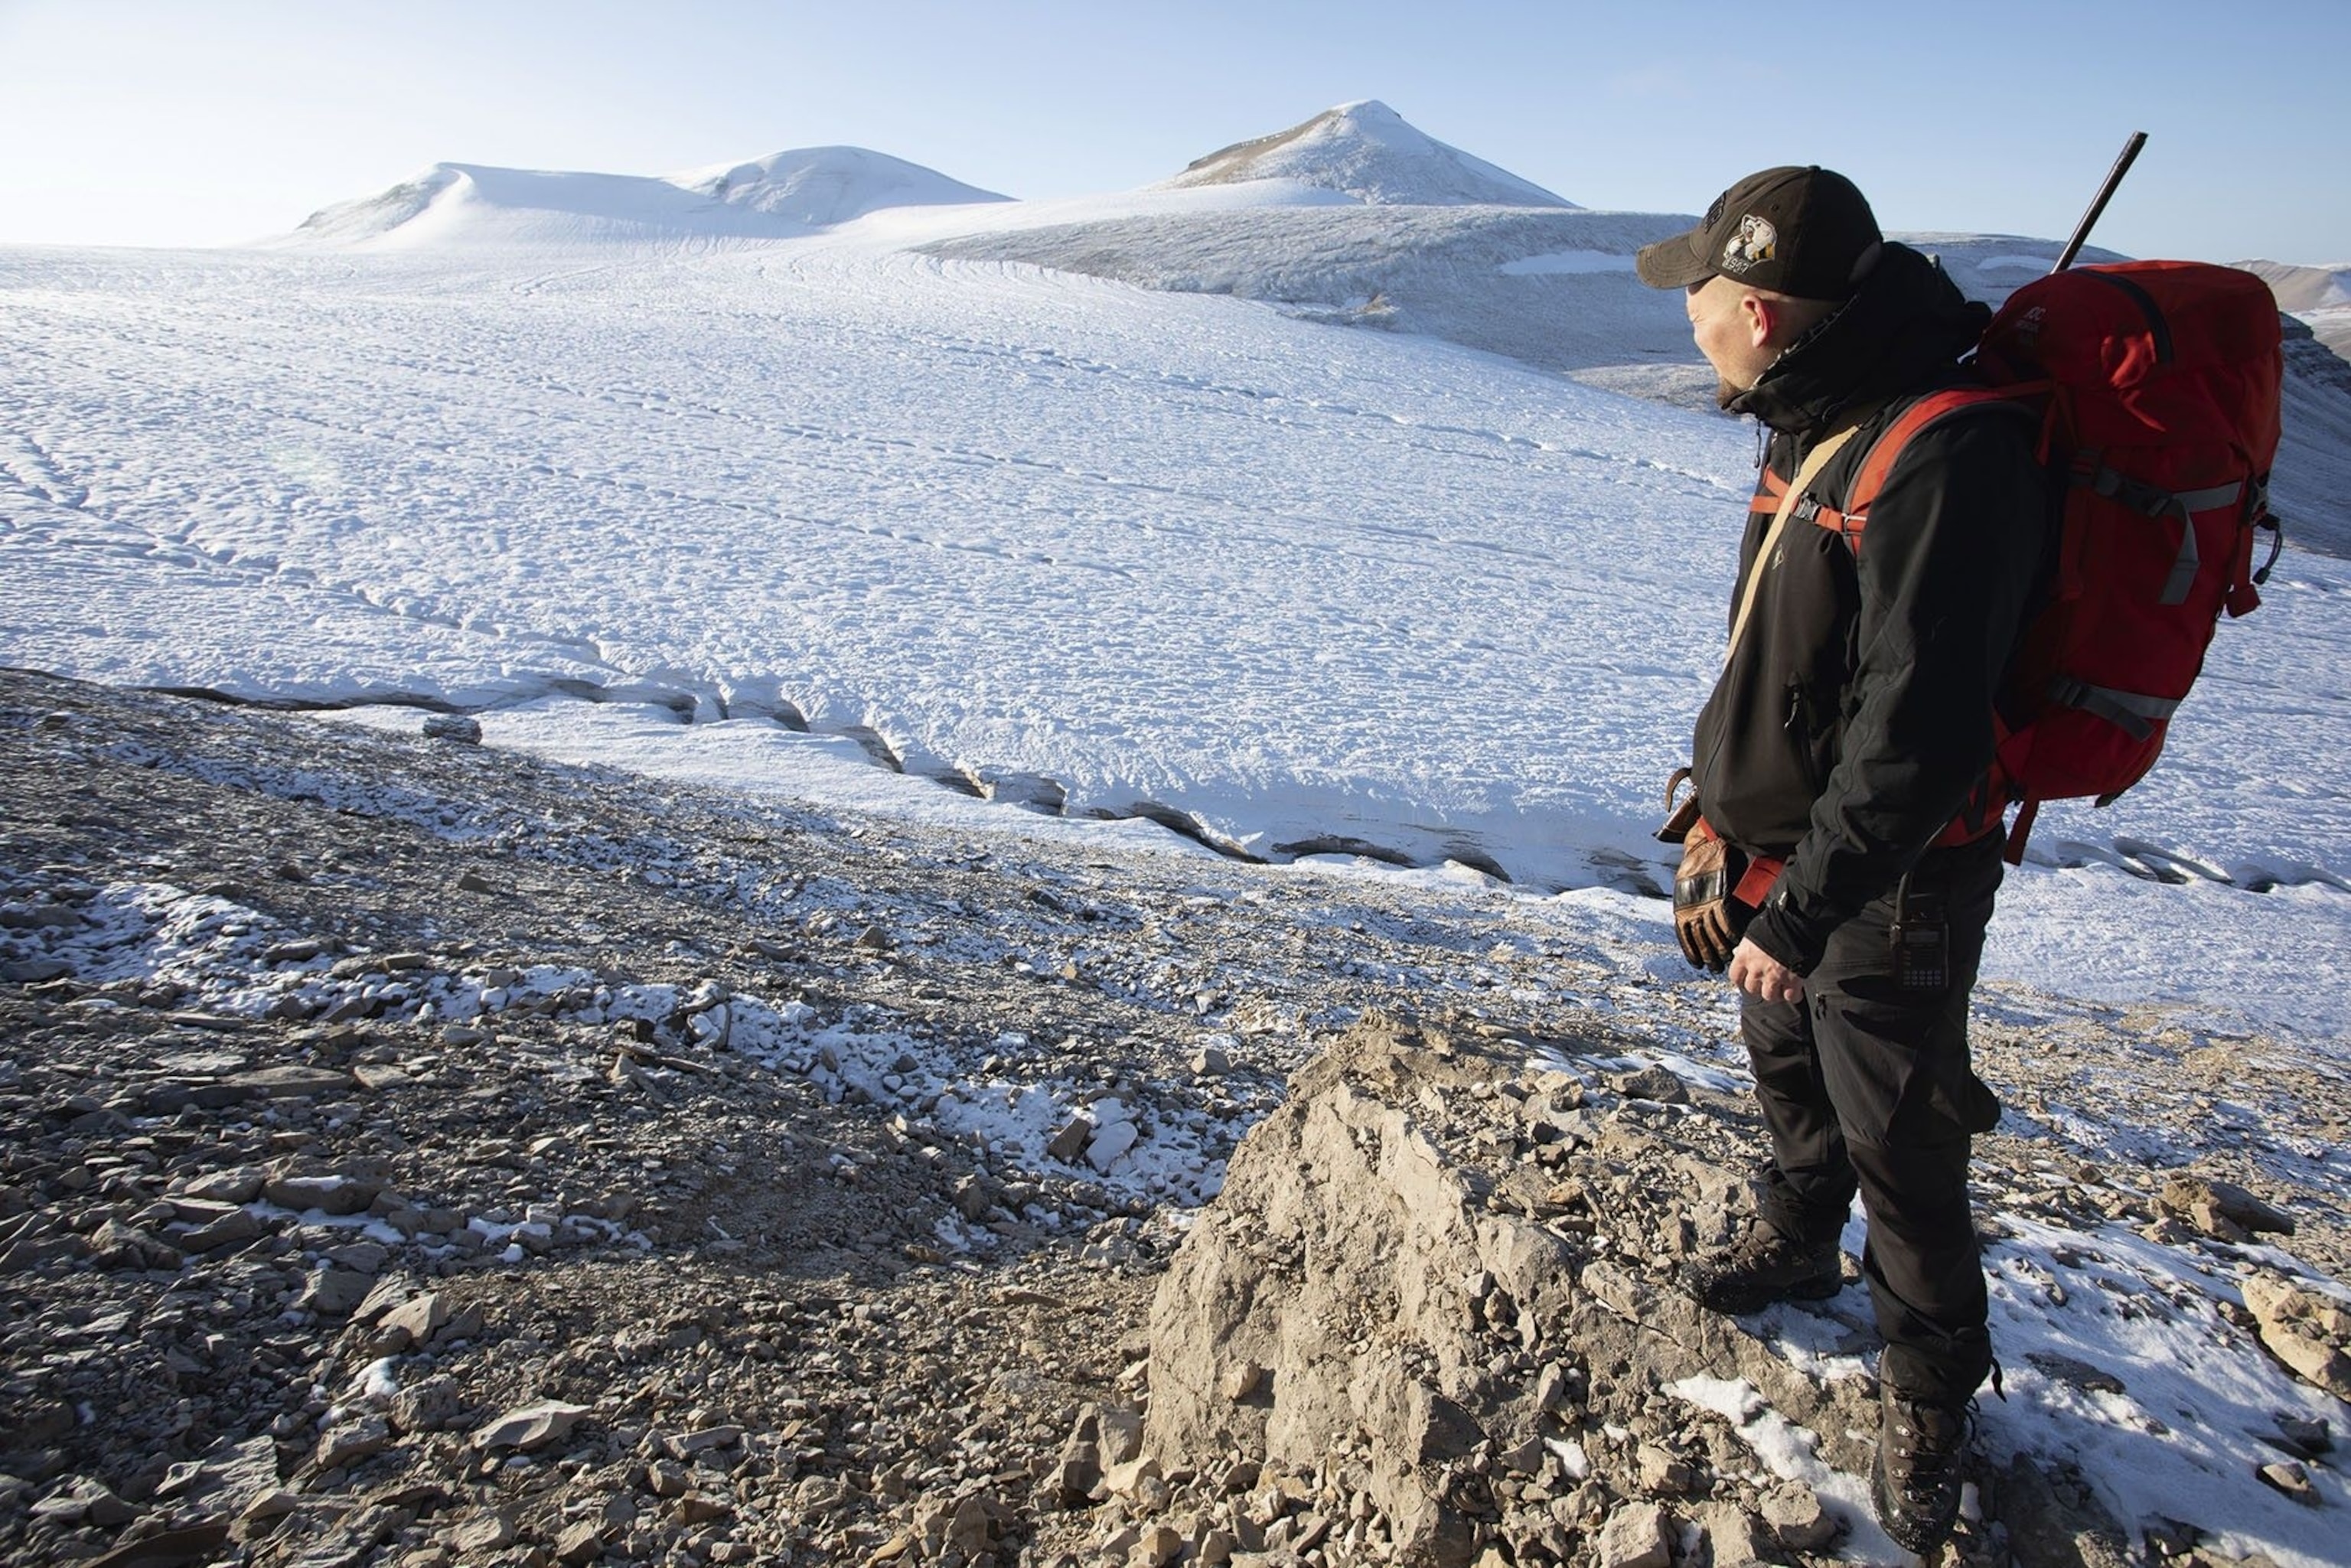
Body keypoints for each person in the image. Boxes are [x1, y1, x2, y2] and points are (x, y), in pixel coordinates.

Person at [1635, 166, 2048, 1553]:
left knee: (1901, 1129)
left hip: (1889, 877)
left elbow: (1915, 733)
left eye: (1694, 298)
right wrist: (1721, 817)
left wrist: (1803, 912)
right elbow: (1788, 657)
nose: (1684, 319)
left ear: (1754, 307)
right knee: (1783, 1057)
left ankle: (1931, 1390)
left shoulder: (1938, 449)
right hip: (1780, 852)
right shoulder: (1813, 411)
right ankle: (1800, 1238)